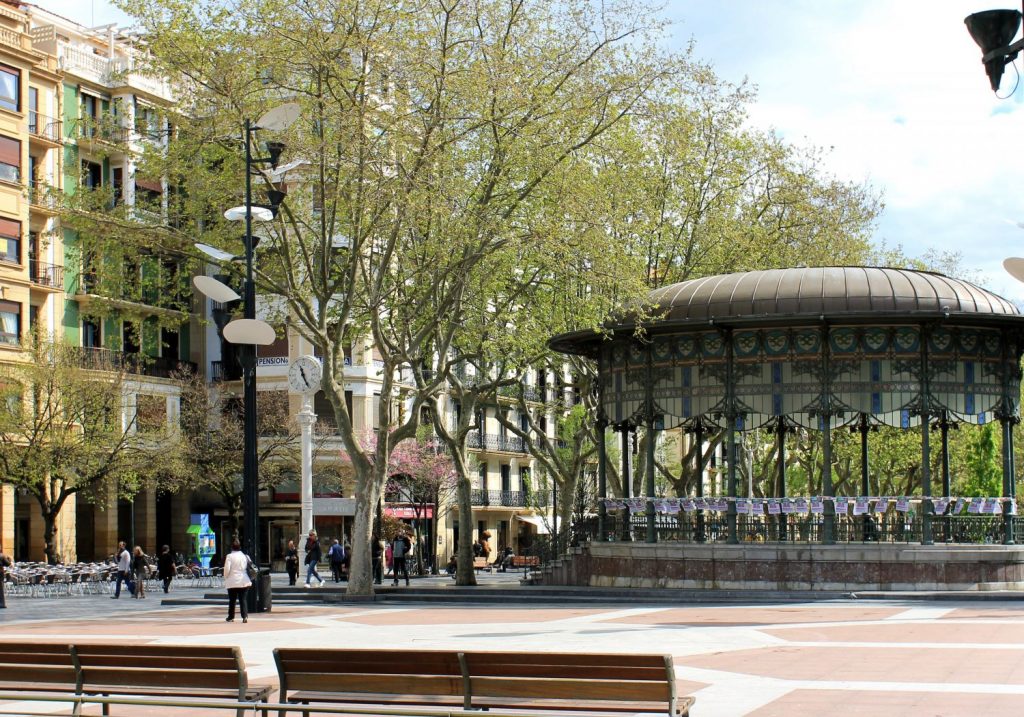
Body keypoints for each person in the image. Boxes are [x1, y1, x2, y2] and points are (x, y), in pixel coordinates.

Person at [223, 539, 252, 623]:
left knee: (232, 600)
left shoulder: (229, 556)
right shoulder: (244, 556)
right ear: (240, 547)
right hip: (243, 580)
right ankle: (245, 616)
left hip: (232, 581)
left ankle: (231, 616)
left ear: (232, 547)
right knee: (243, 599)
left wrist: (226, 577)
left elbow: (227, 569)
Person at [0, 541, 10, 609]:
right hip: (0, 573)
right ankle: (2, 603)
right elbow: (7, 564)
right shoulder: (2, 555)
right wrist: (9, 559)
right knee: (1, 589)